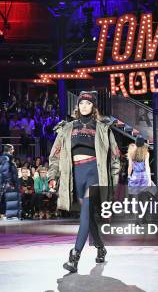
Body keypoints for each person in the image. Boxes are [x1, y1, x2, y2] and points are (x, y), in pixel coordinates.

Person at [47, 91, 121, 273]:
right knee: (88, 217)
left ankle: (74, 256)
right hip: (75, 174)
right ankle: (101, 248)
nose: (85, 106)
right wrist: (52, 176)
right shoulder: (66, 128)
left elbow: (115, 158)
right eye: (82, 104)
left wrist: (113, 182)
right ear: (78, 106)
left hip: (95, 174)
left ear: (93, 106)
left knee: (86, 212)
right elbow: (55, 155)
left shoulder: (102, 128)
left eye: (88, 103)